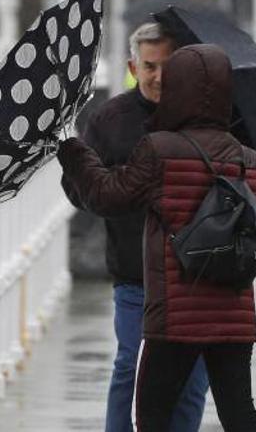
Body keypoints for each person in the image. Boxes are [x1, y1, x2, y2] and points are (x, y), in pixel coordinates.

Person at [58, 44, 256, 431]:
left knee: (151, 414)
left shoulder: (159, 150)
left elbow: (107, 196)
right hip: (234, 315)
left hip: (176, 317)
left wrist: (74, 151)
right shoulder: (251, 159)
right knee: (239, 412)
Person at [60, 23, 209, 432]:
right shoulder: (110, 120)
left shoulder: (202, 117)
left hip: (194, 271)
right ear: (132, 66)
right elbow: (77, 190)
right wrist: (122, 187)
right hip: (135, 271)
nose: (159, 76)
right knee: (132, 364)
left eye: (167, 66)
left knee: (194, 375)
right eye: (149, 66)